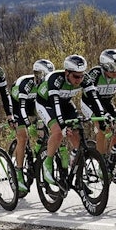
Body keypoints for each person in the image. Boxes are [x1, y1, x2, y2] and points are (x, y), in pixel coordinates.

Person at [36, 53, 89, 184]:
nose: (79, 79)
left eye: (81, 76)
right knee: (58, 132)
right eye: (76, 76)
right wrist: (62, 125)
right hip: (46, 104)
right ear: (67, 73)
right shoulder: (55, 79)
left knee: (76, 132)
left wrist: (101, 115)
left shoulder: (84, 79)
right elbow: (55, 104)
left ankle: (76, 165)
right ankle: (47, 164)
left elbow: (94, 97)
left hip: (65, 104)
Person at [11, 59, 53, 194]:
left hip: (34, 105)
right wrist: (28, 124)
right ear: (37, 75)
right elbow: (22, 108)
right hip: (18, 105)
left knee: (45, 129)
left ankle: (39, 150)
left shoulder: (47, 85)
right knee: (23, 137)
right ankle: (18, 172)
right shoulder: (26, 84)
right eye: (44, 76)